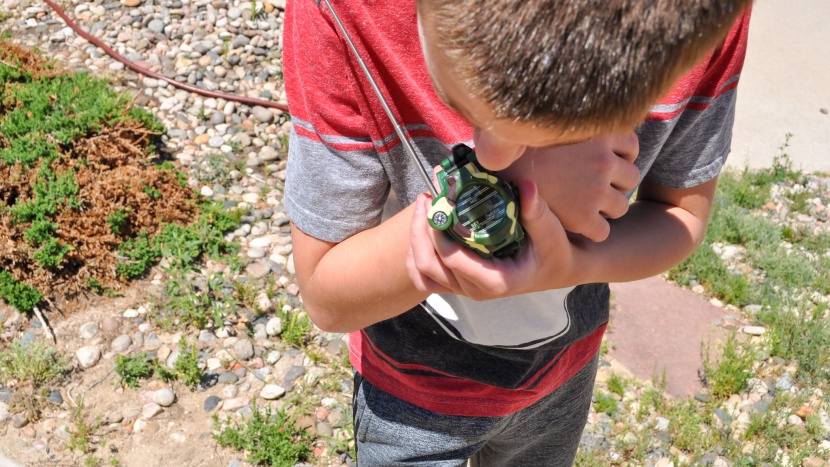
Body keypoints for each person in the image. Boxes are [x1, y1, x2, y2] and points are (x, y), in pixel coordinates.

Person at [283, 0, 752, 465]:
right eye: (464, 105)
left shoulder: (697, 23)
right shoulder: (343, 14)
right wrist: (503, 190)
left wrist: (574, 265)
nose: (485, 155)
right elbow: (326, 295)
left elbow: (681, 217)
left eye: (561, 130)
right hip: (413, 396)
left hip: (562, 375)